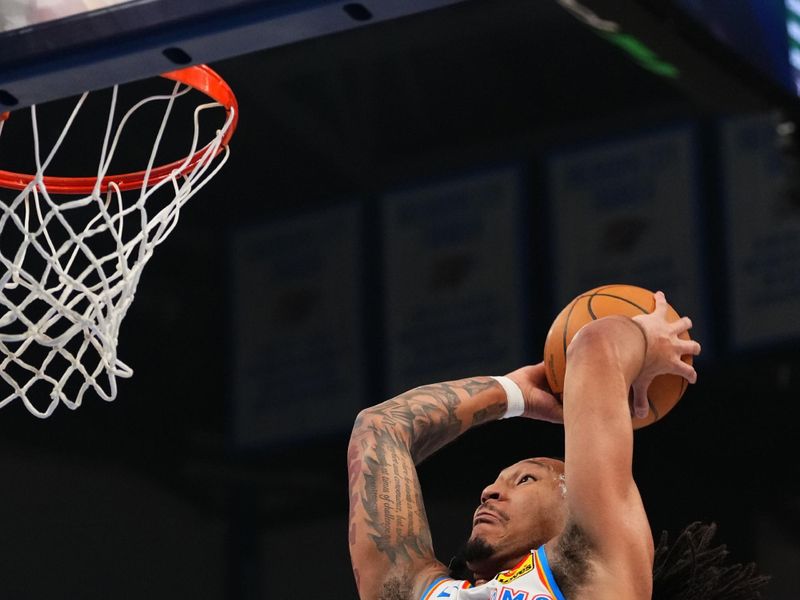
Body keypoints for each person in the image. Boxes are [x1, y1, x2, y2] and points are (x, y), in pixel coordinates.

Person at [347, 291, 702, 599]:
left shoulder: (590, 571)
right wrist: (512, 393)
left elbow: (595, 345)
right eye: (497, 482)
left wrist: (642, 337)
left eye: (525, 479)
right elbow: (379, 427)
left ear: (574, 506)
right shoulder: (416, 592)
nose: (488, 492)